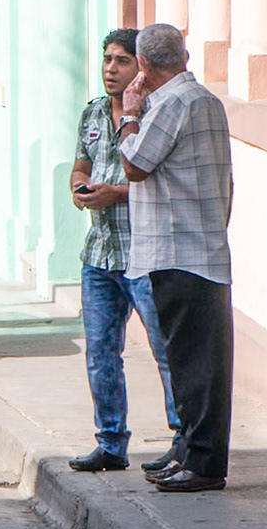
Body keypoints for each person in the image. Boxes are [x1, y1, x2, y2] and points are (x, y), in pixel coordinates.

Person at [119, 23, 236, 493]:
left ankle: (203, 462)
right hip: (202, 245)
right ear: (185, 56)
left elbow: (135, 165)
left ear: (143, 66)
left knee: (194, 364)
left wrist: (129, 116)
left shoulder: (170, 105)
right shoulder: (205, 99)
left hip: (180, 249)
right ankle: (188, 449)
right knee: (191, 360)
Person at [67, 28, 182, 474]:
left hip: (144, 254)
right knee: (100, 352)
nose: (111, 69)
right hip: (99, 254)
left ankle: (181, 438)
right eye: (107, 60)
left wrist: (117, 194)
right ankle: (111, 442)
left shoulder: (155, 114)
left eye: (121, 61)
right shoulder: (93, 113)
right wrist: (80, 189)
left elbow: (164, 187)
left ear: (142, 68)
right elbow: (80, 163)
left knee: (164, 350)